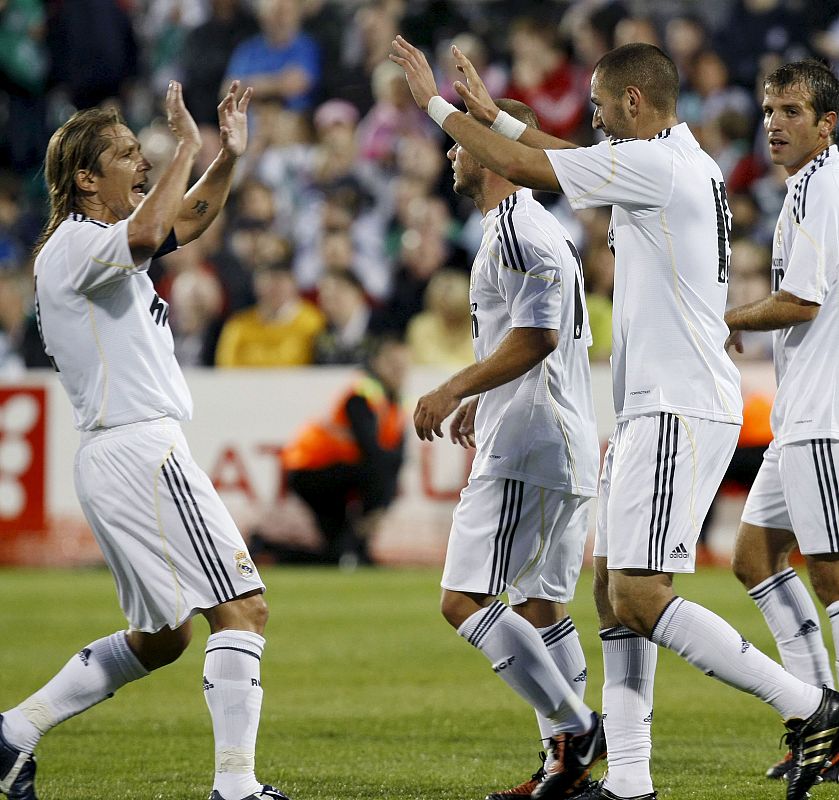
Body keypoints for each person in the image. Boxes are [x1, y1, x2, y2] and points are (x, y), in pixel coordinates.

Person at [388, 36, 839, 800]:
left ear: (632, 103)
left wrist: (436, 106)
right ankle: (629, 780)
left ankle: (813, 706)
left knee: (639, 595)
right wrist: (496, 114)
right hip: (653, 404)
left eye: (599, 107)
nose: (591, 121)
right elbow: (560, 153)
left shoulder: (660, 166)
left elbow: (534, 169)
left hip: (678, 402)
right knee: (610, 593)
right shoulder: (671, 160)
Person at [0, 82, 289, 800]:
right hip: (140, 449)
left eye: (141, 151)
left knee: (166, 636)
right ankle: (236, 788)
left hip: (118, 452)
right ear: (85, 180)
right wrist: (187, 145)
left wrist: (225, 158)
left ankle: (12, 732)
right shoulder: (75, 245)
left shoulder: (91, 247)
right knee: (243, 607)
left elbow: (182, 221)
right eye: (126, 154)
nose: (142, 161)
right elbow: (148, 231)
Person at [411, 97, 603, 799]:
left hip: (530, 443)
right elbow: (530, 340)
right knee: (539, 608)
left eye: (462, 142)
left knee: (463, 600)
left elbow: (539, 337)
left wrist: (454, 387)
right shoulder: (524, 228)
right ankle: (567, 771)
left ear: (492, 151)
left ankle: (575, 727)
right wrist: (480, 396)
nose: (453, 153)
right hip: (546, 434)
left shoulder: (518, 229)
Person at [725, 59, 839, 783]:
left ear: (826, 125)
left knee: (831, 576)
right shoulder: (803, 187)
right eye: (769, 109)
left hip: (824, 416)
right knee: (752, 556)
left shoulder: (825, 184)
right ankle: (817, 715)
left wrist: (717, 319)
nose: (773, 122)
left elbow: (801, 302)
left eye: (791, 111)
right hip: (800, 412)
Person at [281, 336, 408, 566]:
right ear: (377, 362)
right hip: (311, 468)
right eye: (392, 363)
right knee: (380, 475)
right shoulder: (362, 394)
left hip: (327, 470)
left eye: (403, 366)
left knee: (334, 553)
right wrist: (378, 507)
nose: (398, 371)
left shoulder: (394, 403)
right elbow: (372, 451)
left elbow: (397, 456)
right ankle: (358, 542)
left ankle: (270, 549)